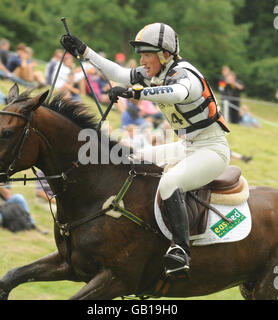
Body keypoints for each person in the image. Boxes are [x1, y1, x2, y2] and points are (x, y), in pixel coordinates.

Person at [61, 22, 231, 276]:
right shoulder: (155, 73)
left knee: (170, 183)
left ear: (165, 55)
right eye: (142, 54)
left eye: (147, 54)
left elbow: (176, 93)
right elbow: (119, 73)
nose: (142, 60)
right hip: (186, 146)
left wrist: (135, 93)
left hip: (212, 151)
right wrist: (85, 52)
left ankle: (181, 250)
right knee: (131, 162)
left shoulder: (185, 75)